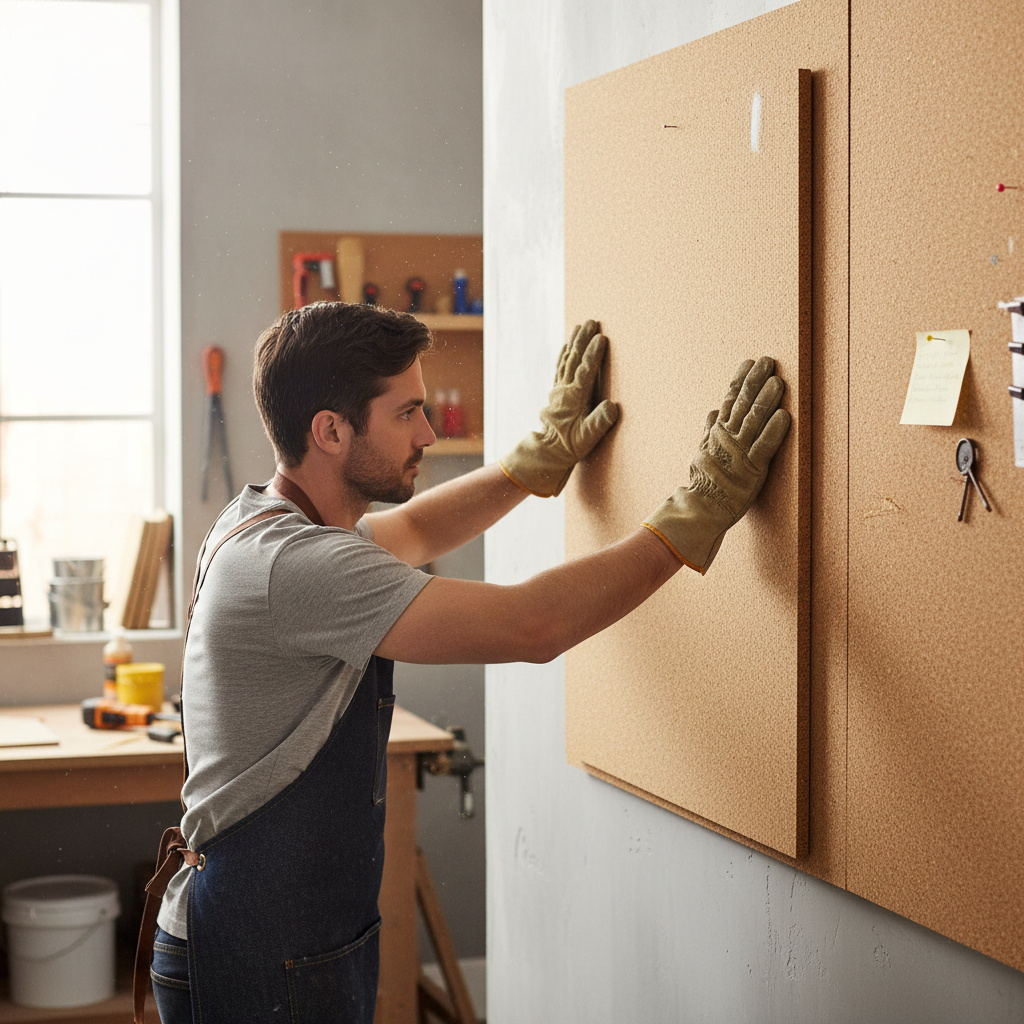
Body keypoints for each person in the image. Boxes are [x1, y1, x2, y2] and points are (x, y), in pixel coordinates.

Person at [145, 301, 789, 1023]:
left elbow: (416, 527)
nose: (428, 432)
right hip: (258, 948)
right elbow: (531, 626)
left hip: (288, 936)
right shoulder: (294, 566)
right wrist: (698, 509)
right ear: (329, 430)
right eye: (406, 413)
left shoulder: (269, 523)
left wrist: (533, 461)